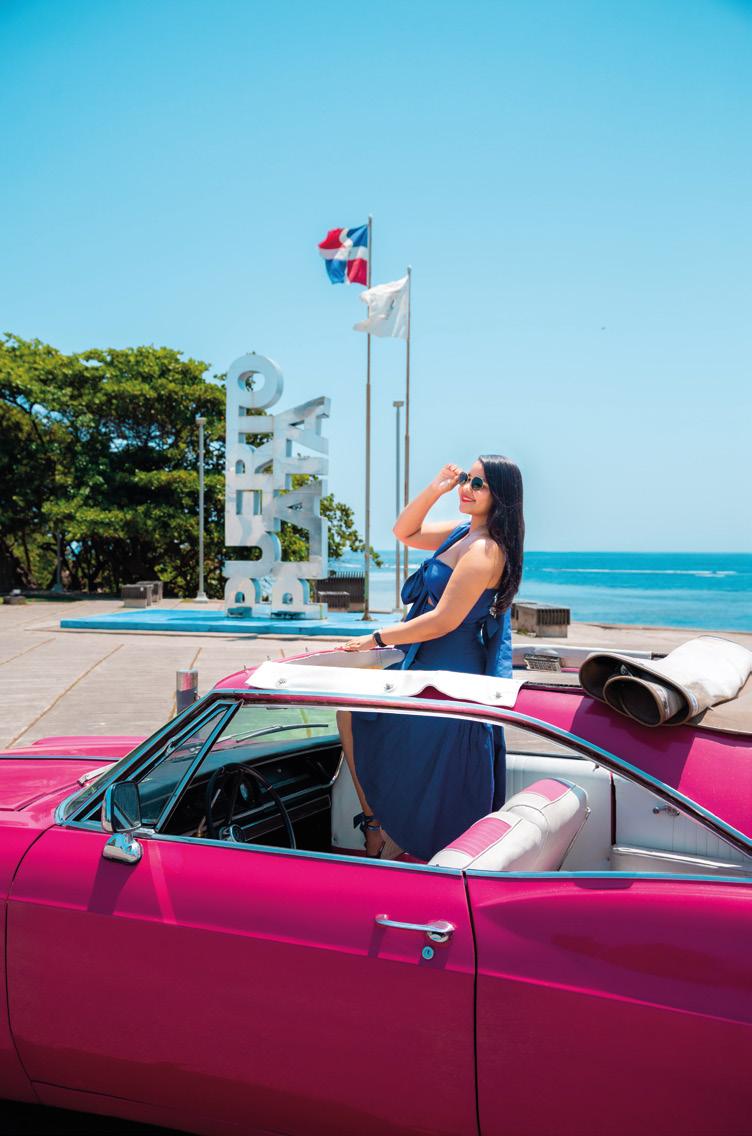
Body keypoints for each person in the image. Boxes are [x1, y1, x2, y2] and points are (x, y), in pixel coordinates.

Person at [338, 454, 525, 860]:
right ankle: (377, 824)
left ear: (500, 496)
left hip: (450, 670)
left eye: (479, 484)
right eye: (467, 479)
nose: (467, 488)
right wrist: (436, 489)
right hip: (423, 662)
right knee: (352, 714)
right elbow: (404, 531)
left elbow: (443, 620)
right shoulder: (462, 533)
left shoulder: (485, 550)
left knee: (377, 730)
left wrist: (376, 637)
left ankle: (386, 832)